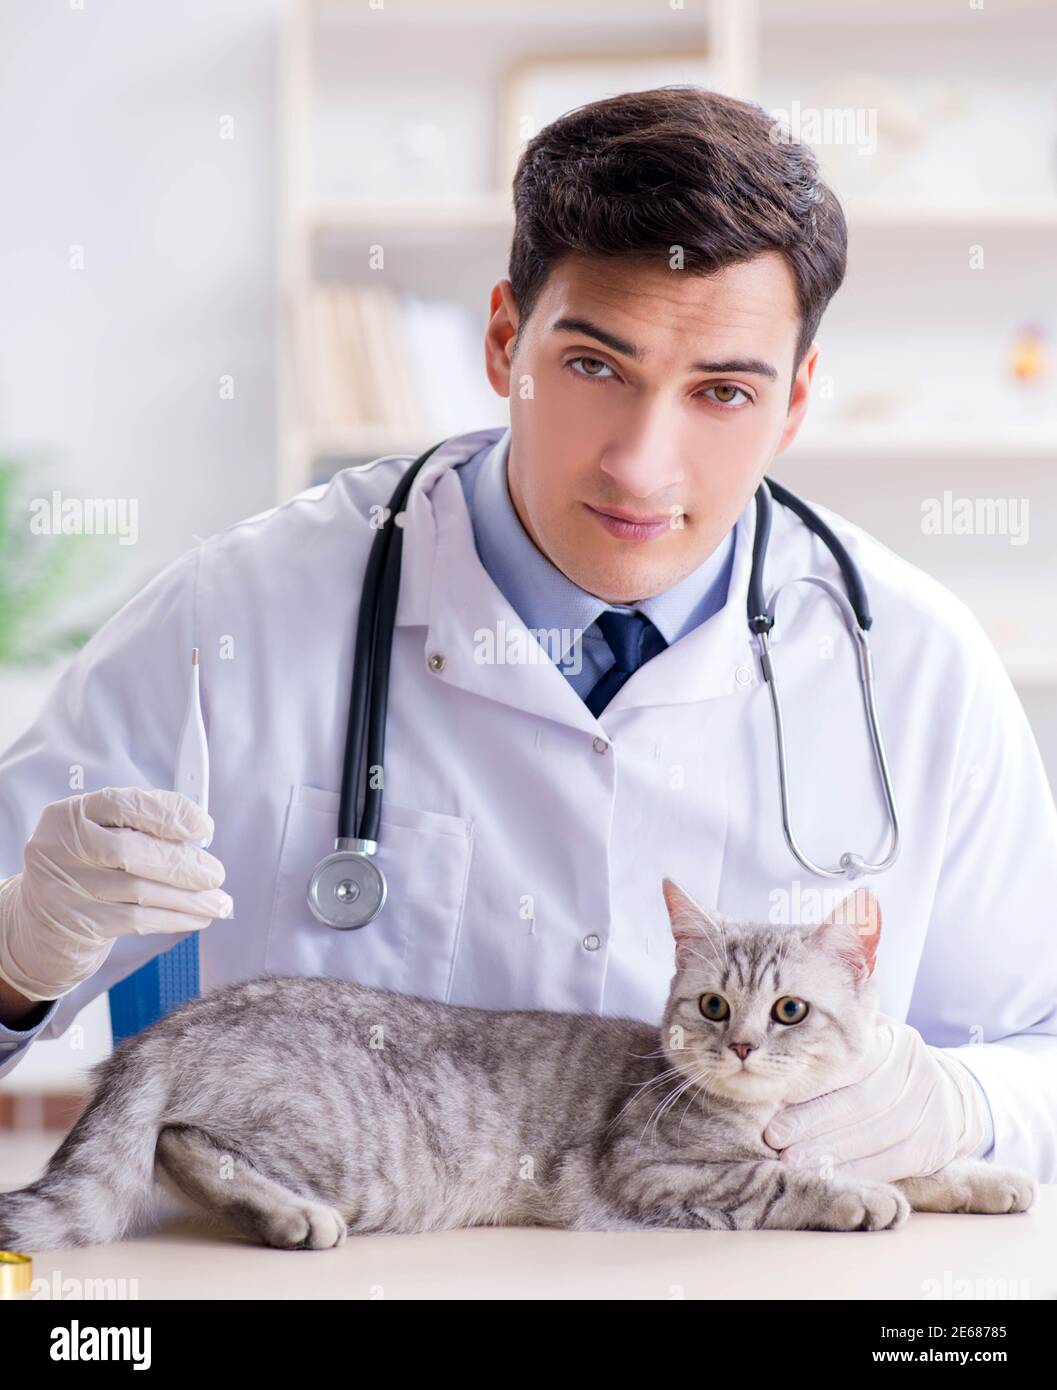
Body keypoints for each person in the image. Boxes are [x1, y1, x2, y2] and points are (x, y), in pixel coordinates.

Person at [1, 87, 1054, 1184]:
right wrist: (19, 949)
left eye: (724, 392)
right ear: (506, 337)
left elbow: (1039, 1043)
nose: (643, 464)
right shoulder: (237, 615)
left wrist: (955, 1104)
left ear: (794, 402)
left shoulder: (918, 665)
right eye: (597, 367)